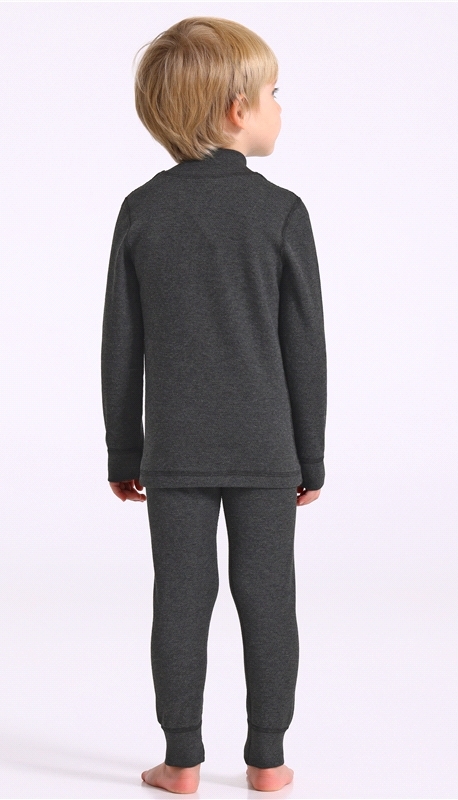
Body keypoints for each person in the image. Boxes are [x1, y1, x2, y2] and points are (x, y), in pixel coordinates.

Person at [101, 16, 327, 794]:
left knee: (180, 599)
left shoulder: (142, 210)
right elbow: (305, 347)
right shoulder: (282, 212)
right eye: (273, 93)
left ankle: (182, 761)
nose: (278, 107)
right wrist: (309, 453)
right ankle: (267, 760)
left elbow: (120, 343)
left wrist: (123, 450)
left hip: (175, 451)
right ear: (237, 109)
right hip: (267, 449)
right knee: (268, 598)